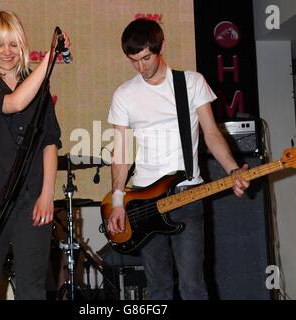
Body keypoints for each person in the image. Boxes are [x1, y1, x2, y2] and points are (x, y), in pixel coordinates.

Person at [107, 18, 250, 300]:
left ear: (160, 48)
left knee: (193, 286)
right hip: (145, 202)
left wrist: (233, 169)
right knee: (158, 287)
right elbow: (121, 152)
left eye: (146, 57)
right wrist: (117, 201)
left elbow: (211, 134)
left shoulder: (191, 83)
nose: (141, 67)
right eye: (133, 60)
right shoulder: (124, 94)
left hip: (188, 194)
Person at [0, 10, 69, 300]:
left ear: (21, 46)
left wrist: (47, 194)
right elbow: (13, 103)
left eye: (13, 44)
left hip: (32, 199)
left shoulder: (40, 89)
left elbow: (49, 143)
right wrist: (50, 58)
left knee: (32, 286)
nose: (6, 52)